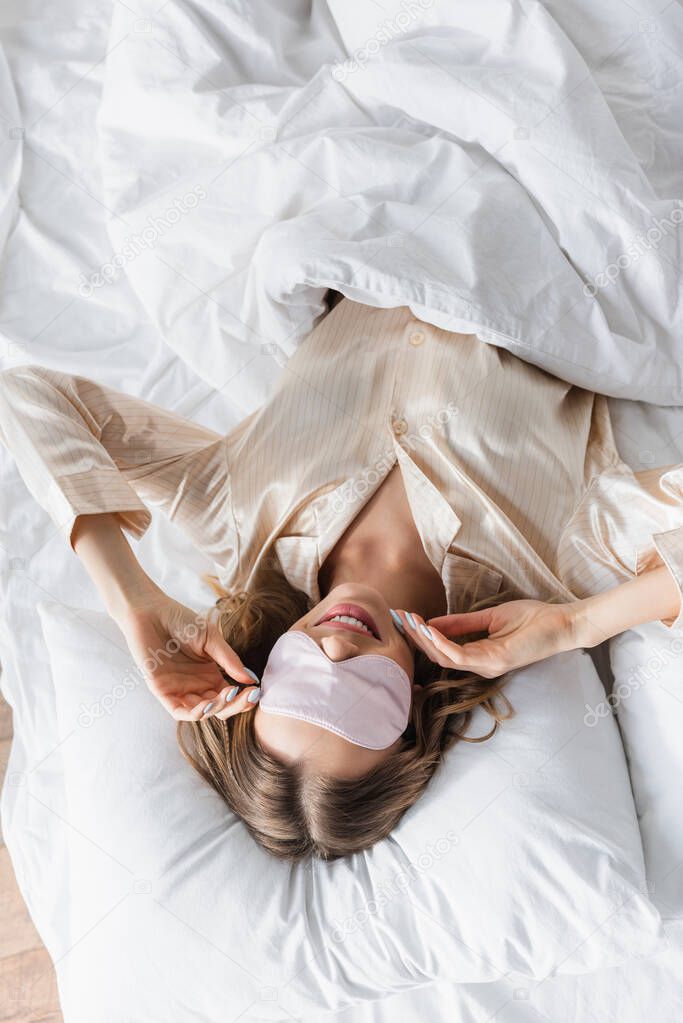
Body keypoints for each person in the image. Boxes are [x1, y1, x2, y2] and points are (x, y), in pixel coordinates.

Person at [0, 297, 681, 860]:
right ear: (409, 712)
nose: (335, 650)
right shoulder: (552, 562)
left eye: (300, 683)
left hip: (364, 197)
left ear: (260, 676)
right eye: (358, 696)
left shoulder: (238, 521)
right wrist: (576, 623)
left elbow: (29, 395)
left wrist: (134, 600)